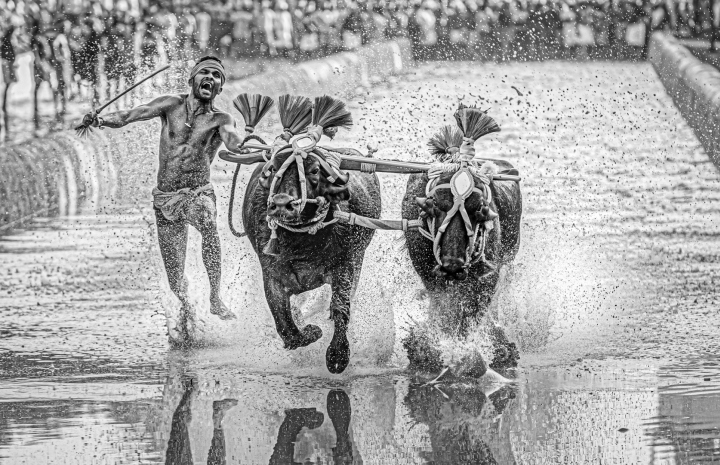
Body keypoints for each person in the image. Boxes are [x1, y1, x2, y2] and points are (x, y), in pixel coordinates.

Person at [80, 56, 242, 346]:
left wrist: (243, 143)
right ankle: (186, 312)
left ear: (219, 88)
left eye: (216, 76)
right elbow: (133, 114)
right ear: (192, 79)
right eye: (204, 73)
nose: (210, 78)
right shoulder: (171, 104)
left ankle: (215, 297)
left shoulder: (221, 120)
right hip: (165, 199)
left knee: (207, 220)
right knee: (175, 279)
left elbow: (232, 139)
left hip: (197, 193)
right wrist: (101, 120)